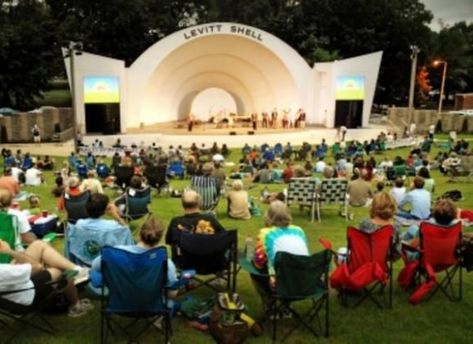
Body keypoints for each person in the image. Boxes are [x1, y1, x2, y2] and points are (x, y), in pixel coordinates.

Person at [91, 217, 178, 301]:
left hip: (120, 302)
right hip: (151, 305)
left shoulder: (115, 253)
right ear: (159, 239)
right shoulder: (166, 262)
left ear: (140, 234)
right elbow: (172, 294)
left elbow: (95, 267)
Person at [0, 239, 92, 317]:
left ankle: (77, 270)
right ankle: (75, 306)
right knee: (60, 270)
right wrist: (9, 251)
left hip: (9, 286)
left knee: (38, 245)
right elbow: (37, 267)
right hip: (26, 294)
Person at [250, 201, 309, 313]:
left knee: (253, 267)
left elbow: (259, 262)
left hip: (280, 284)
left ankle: (269, 304)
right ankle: (286, 306)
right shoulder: (298, 230)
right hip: (304, 282)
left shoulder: (266, 233)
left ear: (269, 216)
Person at [66, 194, 133, 266]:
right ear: (106, 209)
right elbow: (127, 231)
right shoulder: (113, 226)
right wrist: (116, 215)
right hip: (106, 266)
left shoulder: (79, 224)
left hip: (83, 263)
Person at [165, 190, 226, 258]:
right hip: (208, 262)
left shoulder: (175, 222)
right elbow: (225, 238)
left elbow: (169, 242)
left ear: (182, 204)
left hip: (183, 264)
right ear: (199, 203)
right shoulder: (210, 219)